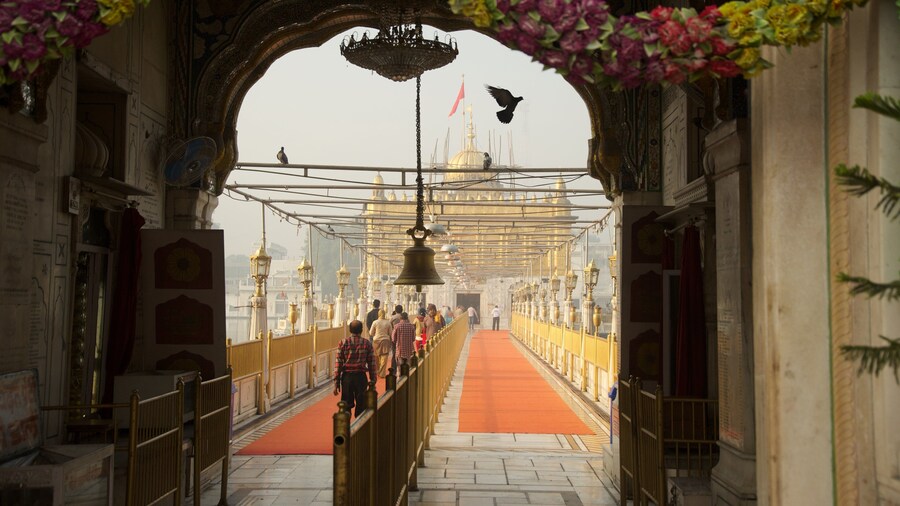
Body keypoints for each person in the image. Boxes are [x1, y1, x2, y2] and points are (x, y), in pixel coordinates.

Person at [333, 320, 376, 418]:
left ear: (350, 330)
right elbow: (372, 363)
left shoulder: (343, 343)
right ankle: (359, 428)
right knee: (361, 405)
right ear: (361, 330)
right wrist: (373, 380)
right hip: (361, 377)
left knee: (346, 406)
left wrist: (336, 383)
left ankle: (347, 428)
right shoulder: (367, 343)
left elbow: (338, 364)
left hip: (347, 378)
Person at [369, 309, 393, 377]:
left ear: (378, 314)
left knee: (376, 356)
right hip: (385, 341)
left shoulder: (375, 322)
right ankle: (382, 373)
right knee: (384, 357)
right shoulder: (388, 322)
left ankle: (377, 371)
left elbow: (371, 333)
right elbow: (390, 333)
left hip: (376, 341)